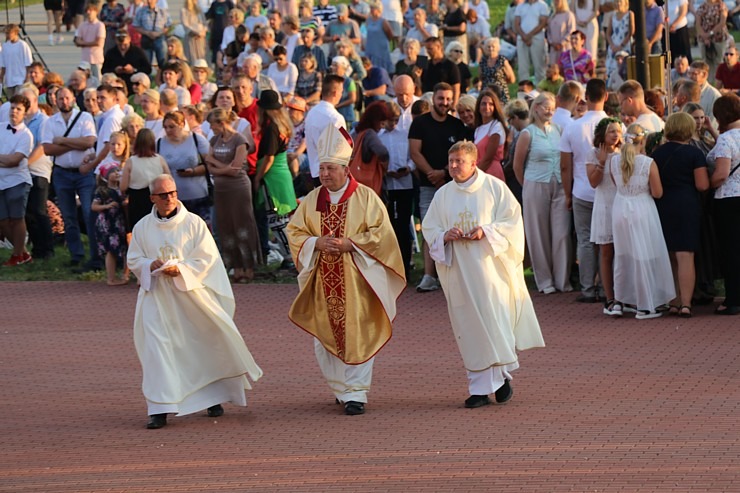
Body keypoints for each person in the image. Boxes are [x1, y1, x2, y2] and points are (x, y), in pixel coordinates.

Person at [286, 124, 406, 416]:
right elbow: (295, 232)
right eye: (321, 168)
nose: (325, 174)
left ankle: (356, 393)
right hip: (322, 283)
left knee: (359, 334)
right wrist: (317, 242)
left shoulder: (366, 198)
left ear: (345, 168)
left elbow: (383, 235)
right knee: (324, 337)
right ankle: (341, 389)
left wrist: (351, 244)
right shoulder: (313, 199)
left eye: (330, 168)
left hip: (358, 282)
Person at [127, 174, 263, 429]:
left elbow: (207, 259)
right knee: (158, 351)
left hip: (191, 296)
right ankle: (160, 408)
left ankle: (212, 397)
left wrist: (181, 269)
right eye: (163, 195)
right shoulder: (143, 227)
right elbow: (134, 259)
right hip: (158, 299)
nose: (169, 198)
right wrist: (149, 264)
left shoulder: (193, 223)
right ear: (152, 198)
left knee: (202, 347)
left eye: (173, 193)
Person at [421, 140, 545, 408]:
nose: (453, 166)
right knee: (469, 326)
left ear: (473, 162)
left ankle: (494, 381)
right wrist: (444, 235)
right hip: (460, 272)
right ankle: (485, 386)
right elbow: (429, 227)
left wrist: (485, 231)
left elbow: (512, 221)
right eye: (451, 161)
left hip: (489, 271)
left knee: (493, 322)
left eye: (459, 162)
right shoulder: (443, 194)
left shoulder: (494, 188)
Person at [408, 82, 470, 292]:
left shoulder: (456, 125)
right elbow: (415, 152)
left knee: (455, 228)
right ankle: (429, 275)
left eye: (447, 99)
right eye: (440, 98)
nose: (444, 103)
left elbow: (463, 153)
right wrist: (431, 174)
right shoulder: (420, 124)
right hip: (427, 186)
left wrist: (444, 172)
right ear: (433, 99)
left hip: (453, 185)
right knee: (429, 228)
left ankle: (455, 276)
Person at [611, 124, 676, 318]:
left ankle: (620, 301)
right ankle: (645, 305)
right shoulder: (648, 163)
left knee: (623, 255)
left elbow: (617, 185)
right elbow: (657, 192)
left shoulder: (614, 161)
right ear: (643, 141)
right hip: (641, 208)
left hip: (620, 207)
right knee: (644, 255)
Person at [651, 112, 710, 318]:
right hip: (687, 206)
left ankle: (673, 300)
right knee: (686, 256)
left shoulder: (656, 154)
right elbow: (702, 185)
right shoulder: (694, 154)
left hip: (662, 204)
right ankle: (686, 303)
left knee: (669, 256)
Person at [40, 87, 100, 270]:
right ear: (55, 101)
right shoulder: (50, 122)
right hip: (62, 173)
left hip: (83, 173)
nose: (64, 101)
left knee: (90, 214)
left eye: (67, 98)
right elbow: (48, 149)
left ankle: (96, 255)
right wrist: (75, 144)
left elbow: (89, 142)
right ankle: (76, 254)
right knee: (68, 216)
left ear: (73, 99)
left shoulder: (85, 118)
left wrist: (62, 141)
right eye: (60, 98)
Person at [560, 77, 608, 303]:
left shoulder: (573, 126)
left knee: (586, 240)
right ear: (606, 96)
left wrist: (568, 193)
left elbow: (565, 165)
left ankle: (588, 288)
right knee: (607, 240)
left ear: (585, 98)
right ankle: (608, 287)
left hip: (581, 189)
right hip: (607, 191)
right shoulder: (615, 125)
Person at [205, 108, 262, 282]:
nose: (211, 128)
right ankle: (235, 267)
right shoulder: (215, 139)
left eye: (212, 124)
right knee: (226, 226)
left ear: (222, 123)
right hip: (221, 190)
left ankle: (249, 267)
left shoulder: (240, 140)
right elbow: (208, 164)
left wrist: (216, 165)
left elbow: (236, 169)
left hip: (238, 188)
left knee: (243, 225)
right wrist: (222, 167)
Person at [253, 90, 298, 260]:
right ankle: (291, 257)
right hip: (281, 173)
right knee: (282, 219)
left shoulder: (272, 127)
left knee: (277, 220)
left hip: (272, 177)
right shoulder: (282, 125)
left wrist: (258, 178)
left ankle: (290, 258)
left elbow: (269, 158)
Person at [707, 94, 740, 315]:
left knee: (731, 250)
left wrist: (705, 185)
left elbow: (721, 174)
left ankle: (734, 299)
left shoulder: (726, 140)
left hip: (729, 200)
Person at [585, 117, 622, 315]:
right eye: (611, 131)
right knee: (606, 252)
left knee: (624, 251)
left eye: (618, 131)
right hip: (604, 205)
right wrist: (601, 163)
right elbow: (593, 182)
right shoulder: (593, 154)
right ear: (602, 135)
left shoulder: (623, 153)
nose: (616, 135)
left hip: (621, 203)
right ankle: (610, 298)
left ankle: (625, 295)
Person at [19, 85, 55, 261]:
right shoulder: (21, 122)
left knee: (39, 210)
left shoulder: (43, 120)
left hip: (38, 171)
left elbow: (42, 146)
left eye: (27, 100)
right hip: (22, 173)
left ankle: (48, 249)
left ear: (35, 101)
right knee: (27, 212)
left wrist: (25, 163)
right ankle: (37, 249)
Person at [380, 101, 415, 277]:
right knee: (390, 225)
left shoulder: (404, 135)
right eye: (389, 120)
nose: (392, 124)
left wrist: (408, 167)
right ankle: (390, 265)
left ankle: (406, 265)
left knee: (403, 225)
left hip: (405, 184)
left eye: (395, 120)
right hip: (388, 184)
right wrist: (386, 171)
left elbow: (412, 157)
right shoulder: (380, 136)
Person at [158, 110, 211, 225]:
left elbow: (211, 164)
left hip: (198, 195)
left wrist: (193, 171)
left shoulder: (197, 140)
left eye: (172, 127)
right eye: (165, 127)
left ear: (182, 124)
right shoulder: (160, 143)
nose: (168, 130)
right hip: (173, 200)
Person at [0, 95, 34, 266]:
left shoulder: (26, 135)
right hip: (1, 180)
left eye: (18, 109)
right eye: (12, 108)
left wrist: (6, 159)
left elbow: (15, 160)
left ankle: (16, 255)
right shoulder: (0, 128)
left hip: (17, 181)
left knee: (17, 218)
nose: (14, 111)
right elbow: (9, 159)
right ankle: (23, 253)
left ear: (25, 114)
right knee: (3, 221)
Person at [121, 128, 170, 230]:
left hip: (137, 200)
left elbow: (123, 186)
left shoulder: (131, 161)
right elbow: (169, 179)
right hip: (157, 198)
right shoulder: (160, 159)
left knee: (140, 230)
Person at [304, 74, 346, 185]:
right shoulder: (336, 118)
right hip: (332, 176)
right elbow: (343, 150)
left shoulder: (311, 114)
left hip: (316, 172)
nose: (341, 95)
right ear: (335, 93)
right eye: (341, 91)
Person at [91, 163, 128, 285]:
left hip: (120, 222)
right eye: (113, 171)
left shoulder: (122, 189)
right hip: (108, 223)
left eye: (118, 170)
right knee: (110, 250)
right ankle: (111, 278)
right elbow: (94, 206)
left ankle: (125, 275)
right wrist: (106, 206)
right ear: (105, 176)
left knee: (125, 248)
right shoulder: (102, 191)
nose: (117, 173)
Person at [349, 101, 390, 196]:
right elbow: (382, 152)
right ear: (375, 120)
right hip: (368, 182)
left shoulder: (356, 132)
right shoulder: (370, 134)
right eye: (381, 122)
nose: (382, 126)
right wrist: (385, 165)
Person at [102, 29, 151, 95]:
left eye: (125, 44)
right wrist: (114, 70)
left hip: (133, 87)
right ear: (116, 41)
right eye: (120, 45)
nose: (122, 47)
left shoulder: (137, 52)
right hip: (116, 87)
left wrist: (134, 70)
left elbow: (148, 69)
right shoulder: (111, 53)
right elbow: (103, 70)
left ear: (129, 39)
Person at [473, 89, 507, 180]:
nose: (487, 107)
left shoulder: (496, 127)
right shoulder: (478, 129)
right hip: (480, 171)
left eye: (491, 104)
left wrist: (474, 176)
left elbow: (488, 158)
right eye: (484, 104)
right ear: (479, 106)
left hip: (492, 173)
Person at [514, 0, 549, 84]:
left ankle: (540, 88)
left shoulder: (542, 5)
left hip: (537, 38)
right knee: (523, 67)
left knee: (539, 66)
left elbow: (543, 23)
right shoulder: (520, 6)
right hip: (522, 39)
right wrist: (524, 36)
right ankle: (524, 89)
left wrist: (529, 35)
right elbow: (516, 23)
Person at [695, 0, 729, 83]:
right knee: (705, 61)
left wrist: (710, 34)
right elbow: (698, 23)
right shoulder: (702, 7)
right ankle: (707, 81)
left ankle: (719, 81)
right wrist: (704, 36)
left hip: (718, 37)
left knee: (719, 60)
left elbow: (722, 22)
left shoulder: (721, 6)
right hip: (703, 38)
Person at [133, 0, 171, 70]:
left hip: (159, 37)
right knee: (146, 62)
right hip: (146, 38)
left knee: (163, 61)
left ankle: (162, 76)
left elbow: (168, 25)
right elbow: (136, 26)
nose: (149, 1)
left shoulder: (163, 12)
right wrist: (147, 33)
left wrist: (159, 33)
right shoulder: (141, 11)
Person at [74, 0, 106, 82]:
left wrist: (83, 43)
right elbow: (77, 41)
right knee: (83, 80)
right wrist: (88, 43)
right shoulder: (82, 25)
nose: (88, 12)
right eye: (87, 11)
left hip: (96, 59)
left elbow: (98, 42)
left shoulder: (100, 25)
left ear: (96, 12)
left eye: (90, 10)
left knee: (97, 79)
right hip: (85, 59)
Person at [0, 25, 33, 99]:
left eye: (9, 33)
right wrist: (1, 76)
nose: (7, 35)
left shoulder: (22, 45)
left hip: (20, 79)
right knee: (10, 100)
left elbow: (28, 63)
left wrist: (26, 78)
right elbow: (3, 65)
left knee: (19, 98)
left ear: (16, 33)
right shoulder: (5, 46)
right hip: (9, 80)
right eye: (6, 33)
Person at [479, 37, 515, 105]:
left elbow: (512, 79)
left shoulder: (502, 60)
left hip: (500, 92)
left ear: (497, 48)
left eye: (493, 46)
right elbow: (480, 77)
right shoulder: (483, 61)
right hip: (486, 91)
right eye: (488, 47)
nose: (491, 48)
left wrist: (502, 82)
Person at [605, 0, 634, 77]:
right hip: (614, 43)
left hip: (625, 44)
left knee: (624, 67)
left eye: (620, 1)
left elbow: (631, 31)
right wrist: (611, 45)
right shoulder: (613, 15)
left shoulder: (630, 14)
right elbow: (608, 33)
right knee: (611, 69)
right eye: (616, 2)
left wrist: (621, 45)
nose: (618, 3)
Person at [364, 1, 394, 74]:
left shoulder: (383, 21)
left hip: (380, 48)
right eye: (371, 8)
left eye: (373, 8)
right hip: (370, 47)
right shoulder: (368, 20)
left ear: (378, 9)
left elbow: (390, 34)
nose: (371, 10)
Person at [547, 0, 575, 66]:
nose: (556, 2)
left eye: (558, 1)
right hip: (554, 49)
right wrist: (551, 42)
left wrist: (561, 43)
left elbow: (571, 31)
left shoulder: (569, 15)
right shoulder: (552, 16)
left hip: (565, 48)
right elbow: (548, 32)